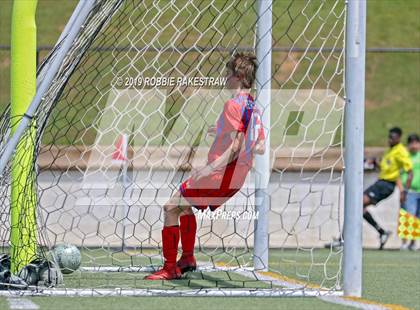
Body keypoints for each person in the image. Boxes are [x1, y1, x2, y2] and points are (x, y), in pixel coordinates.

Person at [145, 53, 266, 280]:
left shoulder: (232, 104)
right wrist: (220, 131)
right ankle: (188, 258)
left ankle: (170, 268)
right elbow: (259, 146)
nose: (225, 78)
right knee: (184, 205)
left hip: (219, 175)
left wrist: (209, 169)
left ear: (238, 77)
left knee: (170, 207)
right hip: (236, 179)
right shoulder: (253, 107)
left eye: (228, 74)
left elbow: (235, 147)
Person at [363, 127, 413, 249]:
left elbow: (410, 172)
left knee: (357, 204)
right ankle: (382, 232)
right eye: (389, 137)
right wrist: (374, 163)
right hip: (380, 183)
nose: (390, 139)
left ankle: (342, 239)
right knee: (358, 208)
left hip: (387, 185)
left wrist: (404, 191)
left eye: (393, 137)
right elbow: (384, 167)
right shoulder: (389, 151)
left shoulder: (401, 151)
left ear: (399, 138)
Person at [398, 133, 420, 250]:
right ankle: (404, 243)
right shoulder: (405, 157)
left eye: (416, 143)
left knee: (417, 218)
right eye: (411, 143)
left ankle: (413, 243)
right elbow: (398, 175)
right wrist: (402, 190)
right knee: (407, 217)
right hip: (409, 192)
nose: (414, 145)